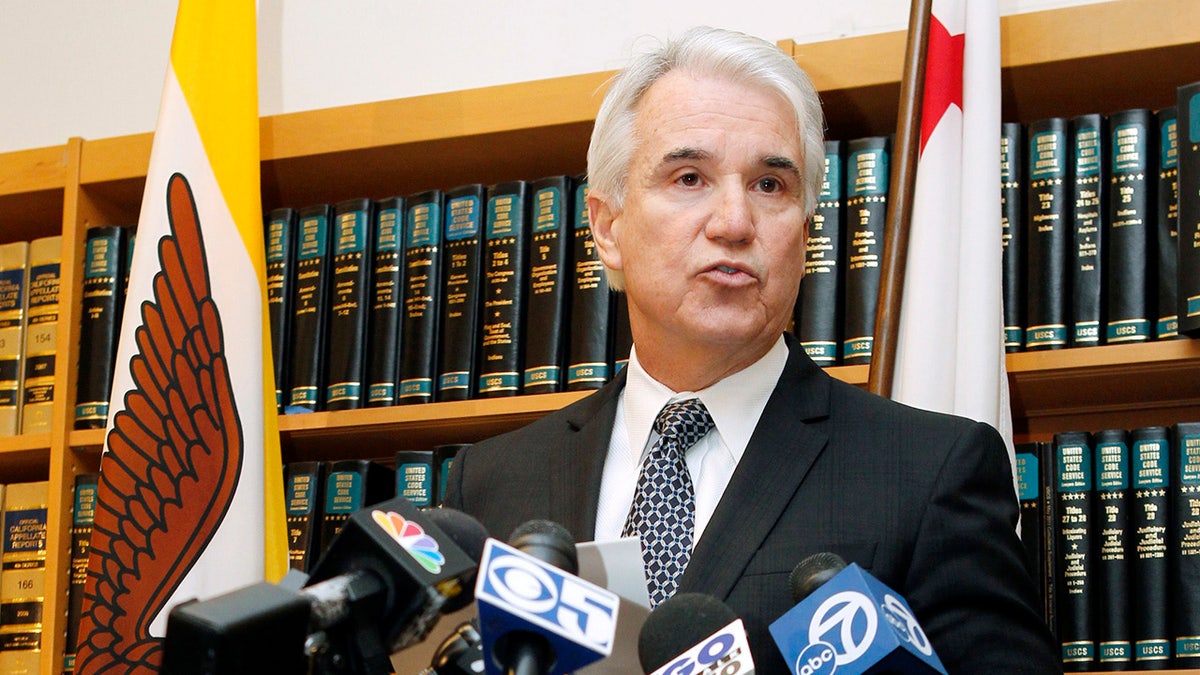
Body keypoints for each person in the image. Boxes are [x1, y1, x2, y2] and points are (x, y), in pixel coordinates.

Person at [443, 26, 1059, 673]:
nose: (735, 222)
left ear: (804, 231)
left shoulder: (931, 471)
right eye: (689, 177)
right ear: (607, 225)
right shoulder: (491, 481)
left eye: (770, 184)